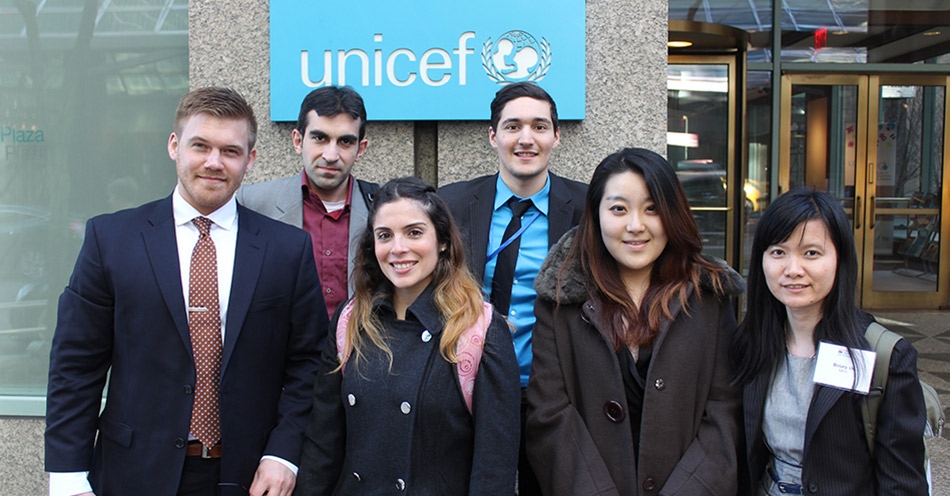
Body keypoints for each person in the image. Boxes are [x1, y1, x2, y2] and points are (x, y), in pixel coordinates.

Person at [44, 87, 328, 496]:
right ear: (175, 146)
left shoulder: (287, 249)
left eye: (230, 151)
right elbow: (75, 364)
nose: (214, 162)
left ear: (250, 160)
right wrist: (69, 476)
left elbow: (309, 363)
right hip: (132, 473)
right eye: (201, 146)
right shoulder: (111, 238)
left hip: (250, 476)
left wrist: (284, 454)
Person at [526, 148, 744, 495]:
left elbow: (724, 412)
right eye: (618, 209)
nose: (635, 226)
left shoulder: (709, 297)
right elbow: (548, 413)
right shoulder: (560, 301)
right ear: (595, 215)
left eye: (652, 209)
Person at [296, 177, 521, 495]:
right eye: (384, 236)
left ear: (442, 240)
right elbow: (322, 445)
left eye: (414, 233)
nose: (398, 249)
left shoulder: (478, 329)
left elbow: (493, 471)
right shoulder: (350, 320)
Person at [438, 82, 586, 495]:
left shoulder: (589, 207)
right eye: (513, 126)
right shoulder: (451, 204)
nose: (526, 139)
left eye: (540, 127)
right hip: (468, 387)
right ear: (493, 135)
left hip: (553, 392)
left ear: (556, 135)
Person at [731, 188, 928, 495]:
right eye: (778, 252)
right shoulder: (750, 344)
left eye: (811, 253)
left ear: (840, 259)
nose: (793, 270)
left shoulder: (883, 356)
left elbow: (902, 483)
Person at [236, 85, 377, 317]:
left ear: (360, 149)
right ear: (298, 141)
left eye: (345, 142)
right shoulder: (252, 202)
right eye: (320, 138)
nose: (331, 155)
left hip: (361, 350)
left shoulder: (382, 207)